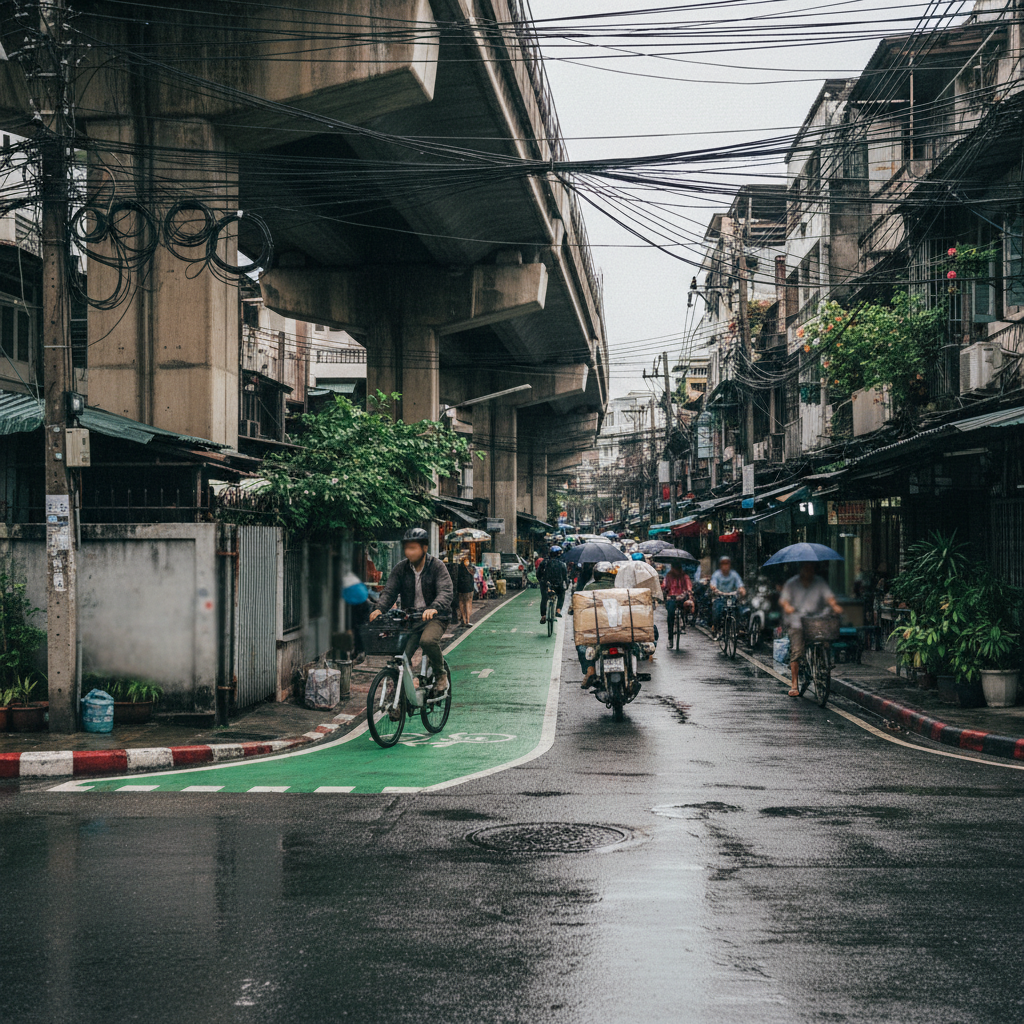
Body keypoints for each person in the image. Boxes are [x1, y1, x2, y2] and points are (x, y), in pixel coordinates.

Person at [370, 528, 453, 693]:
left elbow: (446, 591)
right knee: (401, 658)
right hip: (411, 619)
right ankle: (398, 699)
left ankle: (440, 674)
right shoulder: (401, 569)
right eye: (407, 548)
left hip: (435, 617)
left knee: (427, 641)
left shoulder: (437, 567)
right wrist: (379, 609)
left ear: (424, 548)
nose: (409, 552)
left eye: (413, 548)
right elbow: (389, 592)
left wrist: (434, 608)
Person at [779, 561, 843, 697]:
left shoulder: (819, 582)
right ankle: (794, 684)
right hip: (797, 621)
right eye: (806, 568)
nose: (808, 571)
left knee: (825, 640)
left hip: (816, 620)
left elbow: (829, 597)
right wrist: (788, 607)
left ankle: (823, 666)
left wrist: (834, 605)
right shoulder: (792, 583)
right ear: (801, 569)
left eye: (811, 568)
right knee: (797, 651)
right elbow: (784, 600)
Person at [575, 561, 619, 688]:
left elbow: (580, 607)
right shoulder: (620, 586)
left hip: (596, 628)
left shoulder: (588, 588)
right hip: (619, 625)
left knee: (582, 643)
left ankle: (590, 669)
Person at [709, 555, 746, 637]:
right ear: (720, 565)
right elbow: (713, 584)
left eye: (727, 564)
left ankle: (737, 628)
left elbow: (740, 585)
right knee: (717, 611)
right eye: (723, 564)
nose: (725, 566)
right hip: (720, 596)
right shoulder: (717, 574)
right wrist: (714, 588)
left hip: (731, 597)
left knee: (739, 609)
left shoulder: (734, 574)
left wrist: (742, 590)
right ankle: (716, 627)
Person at [663, 563, 694, 645]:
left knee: (687, 607)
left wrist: (688, 592)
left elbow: (689, 586)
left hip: (682, 597)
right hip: (672, 597)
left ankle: (684, 622)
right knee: (670, 615)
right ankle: (670, 638)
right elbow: (664, 585)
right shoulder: (668, 576)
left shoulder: (685, 576)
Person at [539, 546, 568, 624]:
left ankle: (543, 616)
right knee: (562, 595)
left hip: (546, 585)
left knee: (544, 598)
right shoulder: (562, 564)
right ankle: (558, 610)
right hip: (558, 586)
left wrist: (540, 581)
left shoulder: (544, 562)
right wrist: (567, 585)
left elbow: (538, 574)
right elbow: (565, 577)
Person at [455, 547, 476, 626]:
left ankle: (464, 619)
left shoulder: (459, 563)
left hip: (460, 583)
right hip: (468, 584)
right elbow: (472, 572)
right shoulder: (467, 563)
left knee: (461, 601)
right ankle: (467, 620)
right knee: (468, 602)